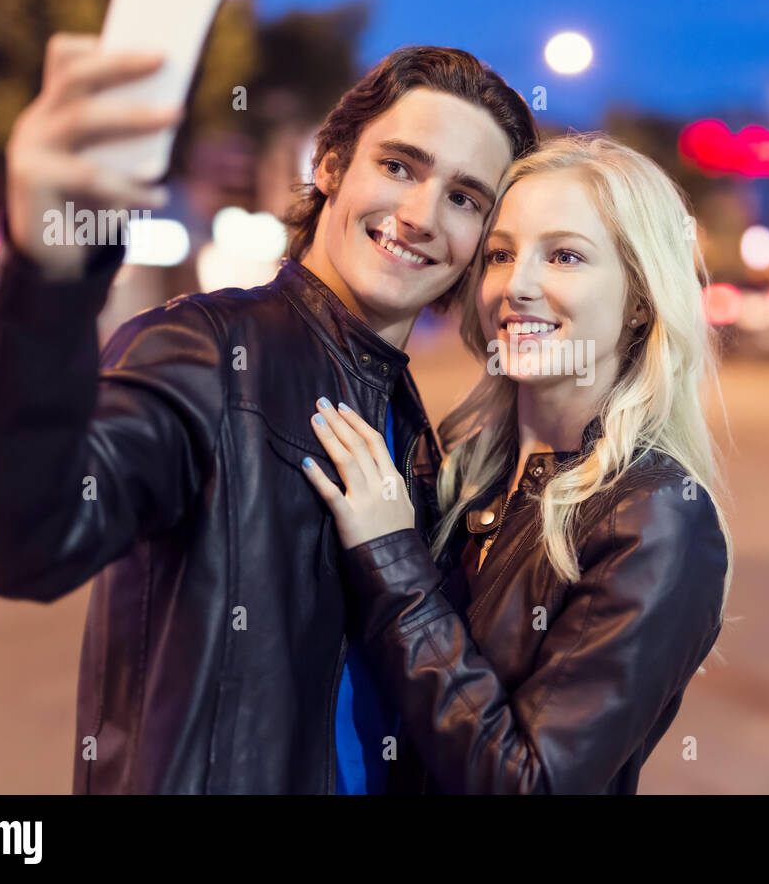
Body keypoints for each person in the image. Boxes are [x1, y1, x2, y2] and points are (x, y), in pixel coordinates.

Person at [0, 35, 538, 793]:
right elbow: (13, 534)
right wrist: (45, 271)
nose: (419, 214)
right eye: (399, 166)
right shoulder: (206, 350)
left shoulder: (410, 425)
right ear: (330, 165)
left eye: (464, 198)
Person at [301, 133, 733, 794]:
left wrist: (391, 556)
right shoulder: (463, 475)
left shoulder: (656, 514)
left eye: (564, 255)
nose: (517, 285)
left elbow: (527, 782)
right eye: (500, 254)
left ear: (642, 299)